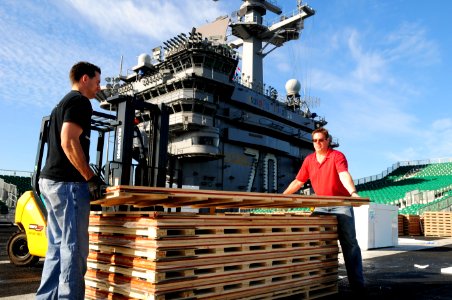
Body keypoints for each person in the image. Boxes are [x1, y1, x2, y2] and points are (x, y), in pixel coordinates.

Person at [36, 61, 106, 300]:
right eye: (97, 82)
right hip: (68, 185)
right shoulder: (79, 102)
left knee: (56, 248)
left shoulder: (61, 103)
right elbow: (69, 141)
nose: (99, 88)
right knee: (74, 251)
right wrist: (91, 178)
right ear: (84, 79)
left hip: (51, 182)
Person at [283, 127, 365, 292]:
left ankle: (358, 286)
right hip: (321, 205)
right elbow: (298, 182)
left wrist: (353, 193)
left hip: (341, 204)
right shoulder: (309, 160)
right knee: (315, 240)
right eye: (315, 141)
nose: (318, 143)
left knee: (350, 243)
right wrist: (283, 196)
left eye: (321, 140)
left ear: (328, 140)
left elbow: (343, 174)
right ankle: (319, 282)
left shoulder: (336, 156)